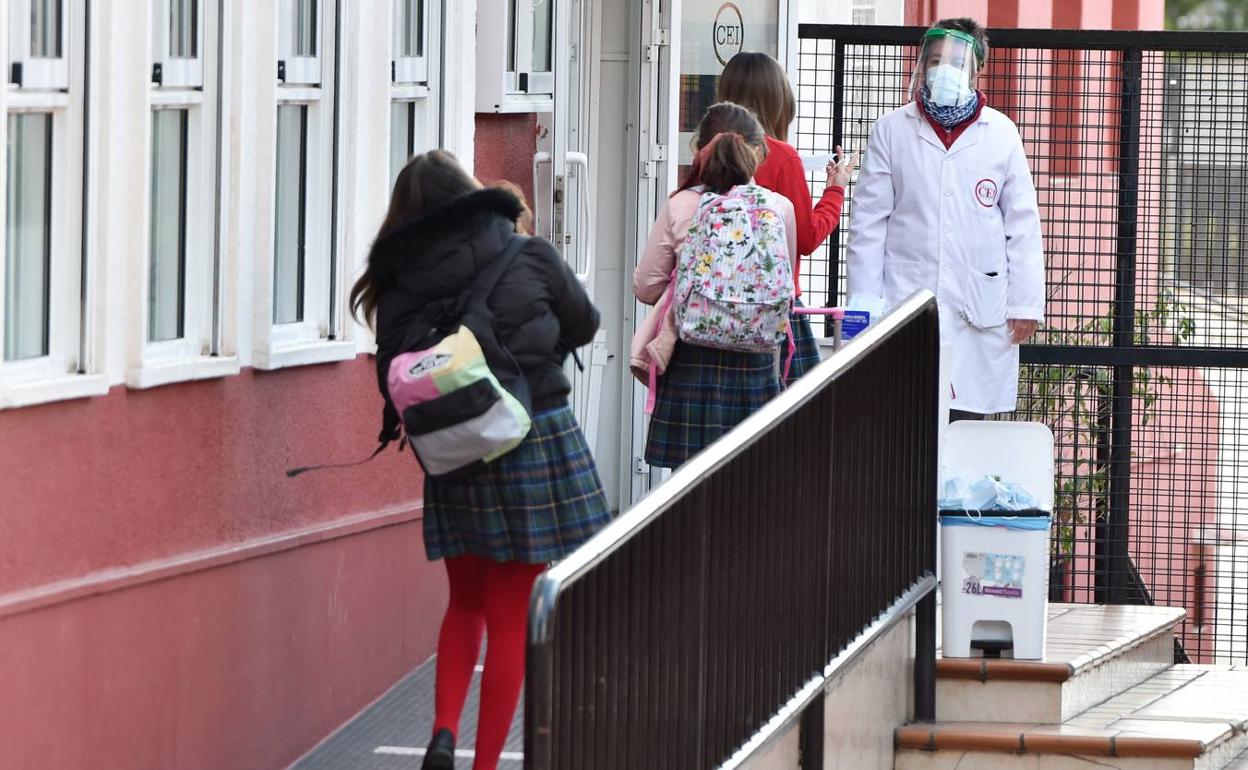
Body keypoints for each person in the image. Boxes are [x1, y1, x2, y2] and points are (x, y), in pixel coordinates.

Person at [351, 150, 611, 770]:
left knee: (464, 603)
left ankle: (442, 733)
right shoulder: (527, 253)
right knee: (509, 617)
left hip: (456, 452)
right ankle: (486, 764)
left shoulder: (397, 284)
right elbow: (584, 323)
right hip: (533, 439)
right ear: (470, 195)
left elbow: (392, 373)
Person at [846, 18, 1045, 419]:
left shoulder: (1001, 133)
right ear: (921, 64)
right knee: (905, 423)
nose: (943, 70)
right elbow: (868, 223)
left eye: (956, 62)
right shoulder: (891, 130)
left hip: (978, 308)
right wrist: (863, 305)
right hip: (905, 298)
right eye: (934, 60)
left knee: (964, 426)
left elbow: (1022, 225)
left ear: (975, 70)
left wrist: (1025, 304)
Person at [632, 102, 799, 469]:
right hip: (756, 367)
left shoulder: (680, 206)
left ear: (698, 150)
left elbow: (645, 287)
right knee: (749, 490)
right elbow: (785, 287)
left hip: (692, 363)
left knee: (688, 490)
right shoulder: (778, 208)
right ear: (759, 152)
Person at [717, 51, 857, 383]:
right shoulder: (780, 156)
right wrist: (836, 189)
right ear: (777, 101)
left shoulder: (709, 151)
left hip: (717, 308)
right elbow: (806, 239)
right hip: (774, 310)